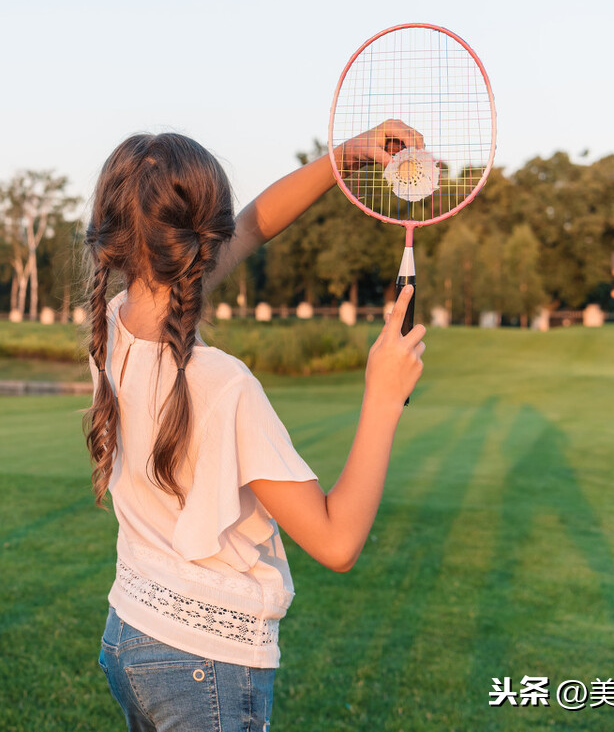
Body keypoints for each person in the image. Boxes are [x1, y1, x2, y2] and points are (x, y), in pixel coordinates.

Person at [83, 123, 427, 730]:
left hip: (130, 633)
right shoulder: (222, 384)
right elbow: (335, 541)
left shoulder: (111, 326)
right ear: (204, 240)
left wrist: (344, 159)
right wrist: (383, 394)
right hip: (203, 666)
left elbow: (253, 225)